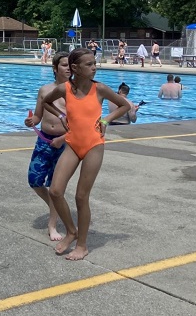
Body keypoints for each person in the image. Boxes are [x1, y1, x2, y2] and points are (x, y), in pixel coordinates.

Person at [41, 48, 130, 260]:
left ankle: (82, 245)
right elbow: (46, 101)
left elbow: (124, 106)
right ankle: (71, 231)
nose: (94, 67)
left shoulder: (99, 89)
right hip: (73, 143)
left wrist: (106, 120)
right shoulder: (65, 89)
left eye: (94, 63)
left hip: (93, 145)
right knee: (55, 190)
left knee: (81, 196)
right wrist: (62, 115)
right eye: (89, 64)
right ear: (75, 68)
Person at [24, 51, 70, 242]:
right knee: (34, 180)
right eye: (65, 65)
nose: (69, 69)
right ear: (55, 68)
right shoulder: (44, 90)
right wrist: (30, 121)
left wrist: (63, 138)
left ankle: (52, 224)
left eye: (71, 65)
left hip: (65, 143)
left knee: (55, 186)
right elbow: (38, 116)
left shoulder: (73, 92)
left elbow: (79, 124)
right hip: (44, 140)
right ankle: (54, 205)